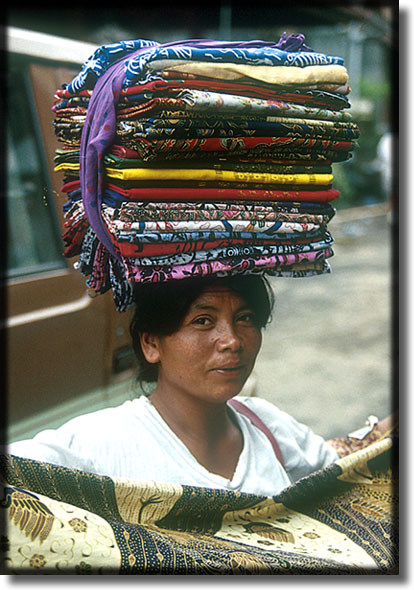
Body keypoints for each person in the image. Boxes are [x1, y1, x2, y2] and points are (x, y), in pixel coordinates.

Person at [8, 274, 342, 497]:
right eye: (203, 321)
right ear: (151, 343)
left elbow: (346, 470)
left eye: (245, 319)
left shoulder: (266, 425)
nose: (232, 341)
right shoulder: (101, 445)